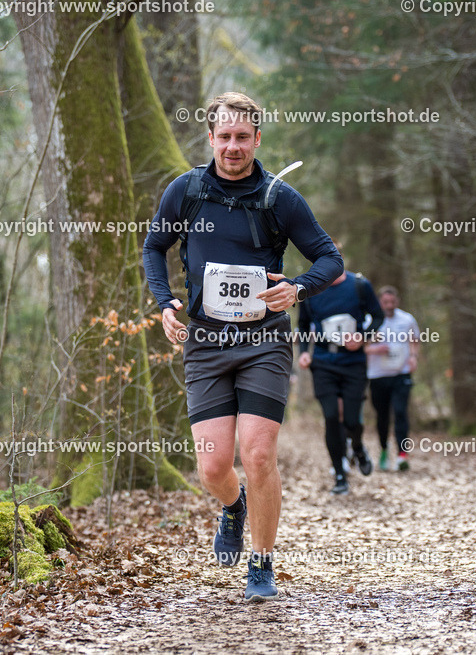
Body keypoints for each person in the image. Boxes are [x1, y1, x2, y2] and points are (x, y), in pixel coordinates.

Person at [142, 92, 342, 602]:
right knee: (212, 467)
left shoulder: (280, 197)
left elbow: (329, 258)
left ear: (257, 139)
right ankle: (234, 507)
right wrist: (165, 303)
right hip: (206, 342)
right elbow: (154, 246)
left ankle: (263, 561)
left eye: (243, 137)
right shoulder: (185, 191)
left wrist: (297, 288)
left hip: (264, 342)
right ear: (210, 138)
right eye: (224, 137)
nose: (233, 146)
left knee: (257, 453)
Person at [296, 270, 383, 494]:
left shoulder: (360, 285)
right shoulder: (310, 289)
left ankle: (358, 447)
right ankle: (340, 475)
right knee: (332, 416)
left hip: (353, 362)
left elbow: (378, 315)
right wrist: (304, 352)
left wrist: (363, 337)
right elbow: (304, 324)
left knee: (352, 419)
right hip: (323, 361)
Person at [365, 286, 420, 471]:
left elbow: (415, 339)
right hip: (378, 375)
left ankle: (402, 455)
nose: (389, 305)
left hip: (401, 373)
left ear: (397, 301)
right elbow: (359, 346)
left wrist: (413, 357)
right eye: (385, 302)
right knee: (382, 416)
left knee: (400, 412)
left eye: (392, 302)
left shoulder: (407, 319)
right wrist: (375, 348)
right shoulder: (369, 320)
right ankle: (383, 449)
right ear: (379, 302)